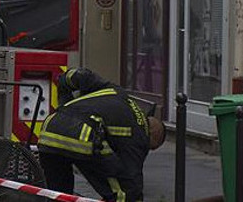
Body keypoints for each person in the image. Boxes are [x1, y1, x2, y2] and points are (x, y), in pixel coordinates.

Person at [37, 68, 166, 202]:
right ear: (152, 138)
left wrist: (65, 108)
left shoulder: (117, 92)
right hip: (83, 136)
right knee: (126, 191)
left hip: (49, 129)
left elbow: (80, 76)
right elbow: (132, 176)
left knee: (59, 194)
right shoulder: (140, 135)